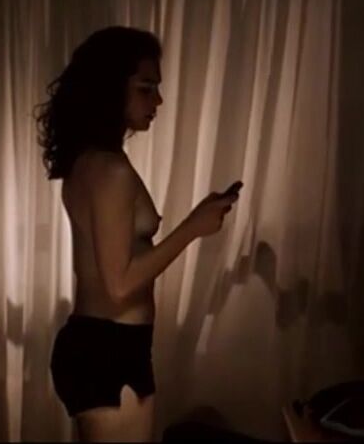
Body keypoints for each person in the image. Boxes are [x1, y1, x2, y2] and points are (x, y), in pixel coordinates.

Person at [36, 26, 242, 442]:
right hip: (108, 349)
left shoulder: (91, 161)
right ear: (110, 89)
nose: (158, 101)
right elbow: (120, 284)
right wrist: (193, 228)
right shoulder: (110, 170)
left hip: (106, 344)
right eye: (146, 88)